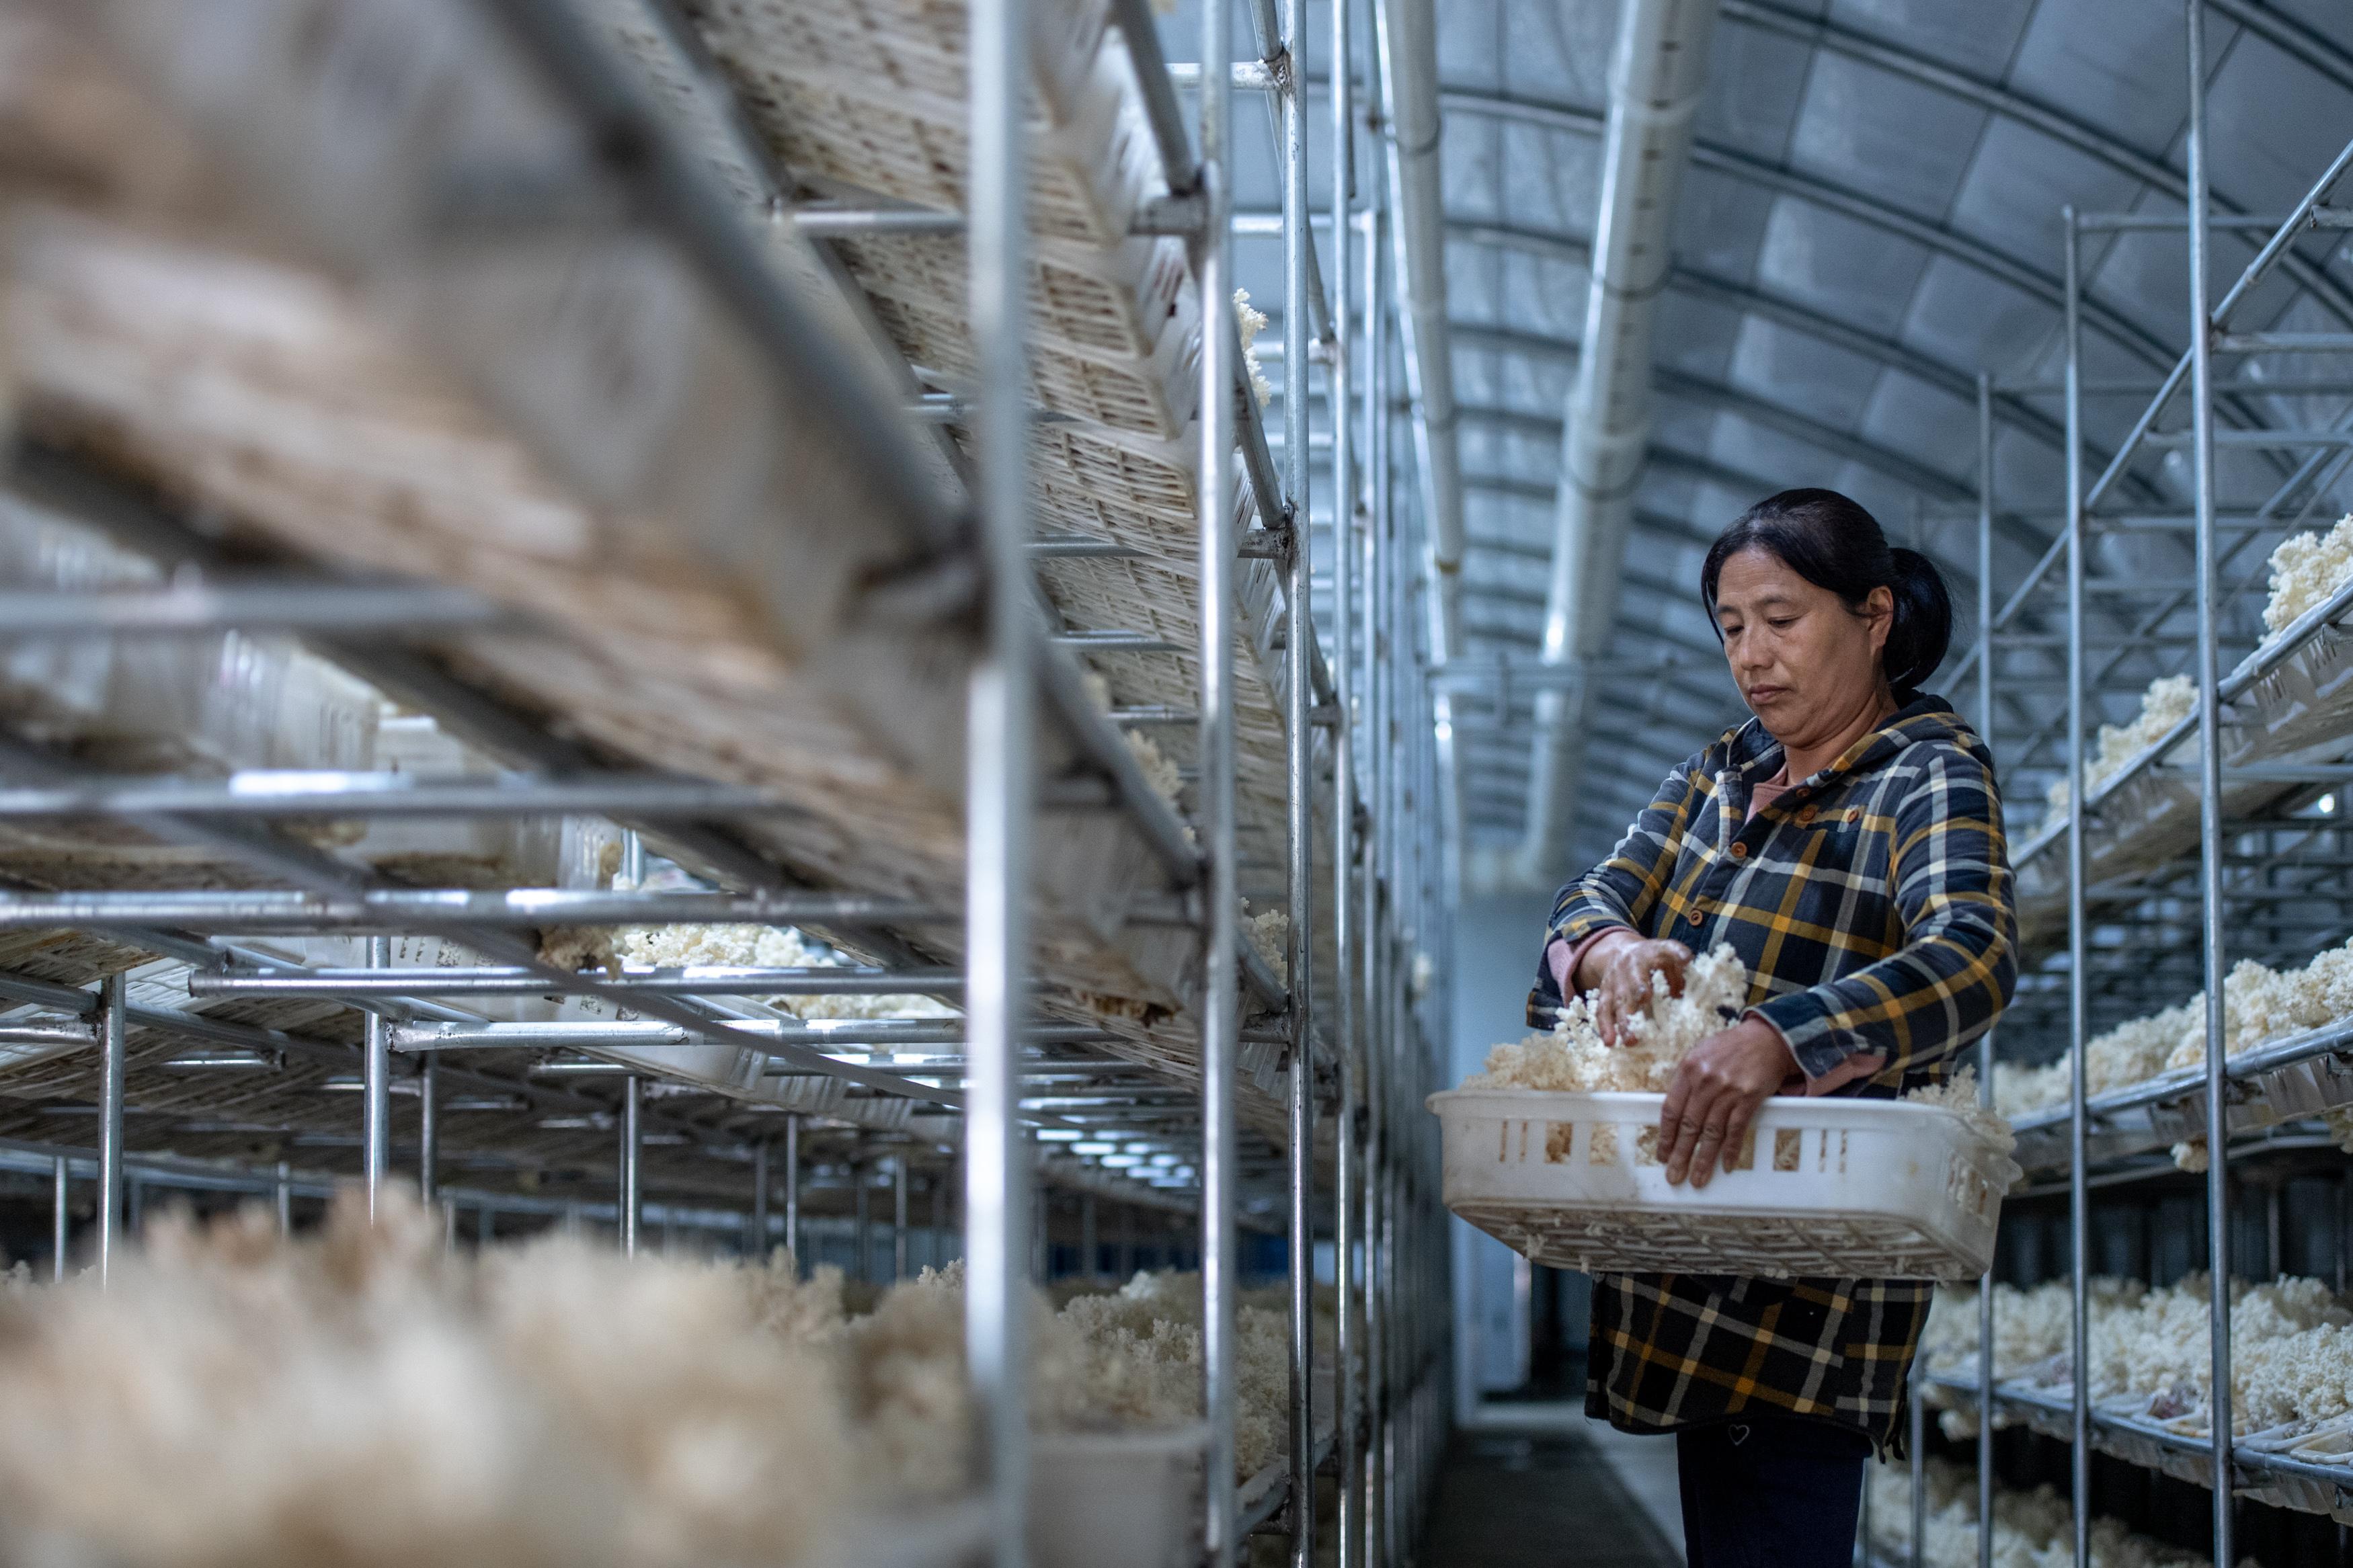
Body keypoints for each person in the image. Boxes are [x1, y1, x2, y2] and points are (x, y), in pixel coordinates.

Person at [1527, 488, 2016, 1568]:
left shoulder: (1922, 772)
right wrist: (1611, 951)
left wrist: (1787, 1036)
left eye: (1783, 619)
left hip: (1807, 1282)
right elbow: (1583, 902)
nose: (1753, 654)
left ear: (1874, 616)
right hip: (1685, 1258)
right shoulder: (1716, 774)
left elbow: (1974, 955)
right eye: (1732, 626)